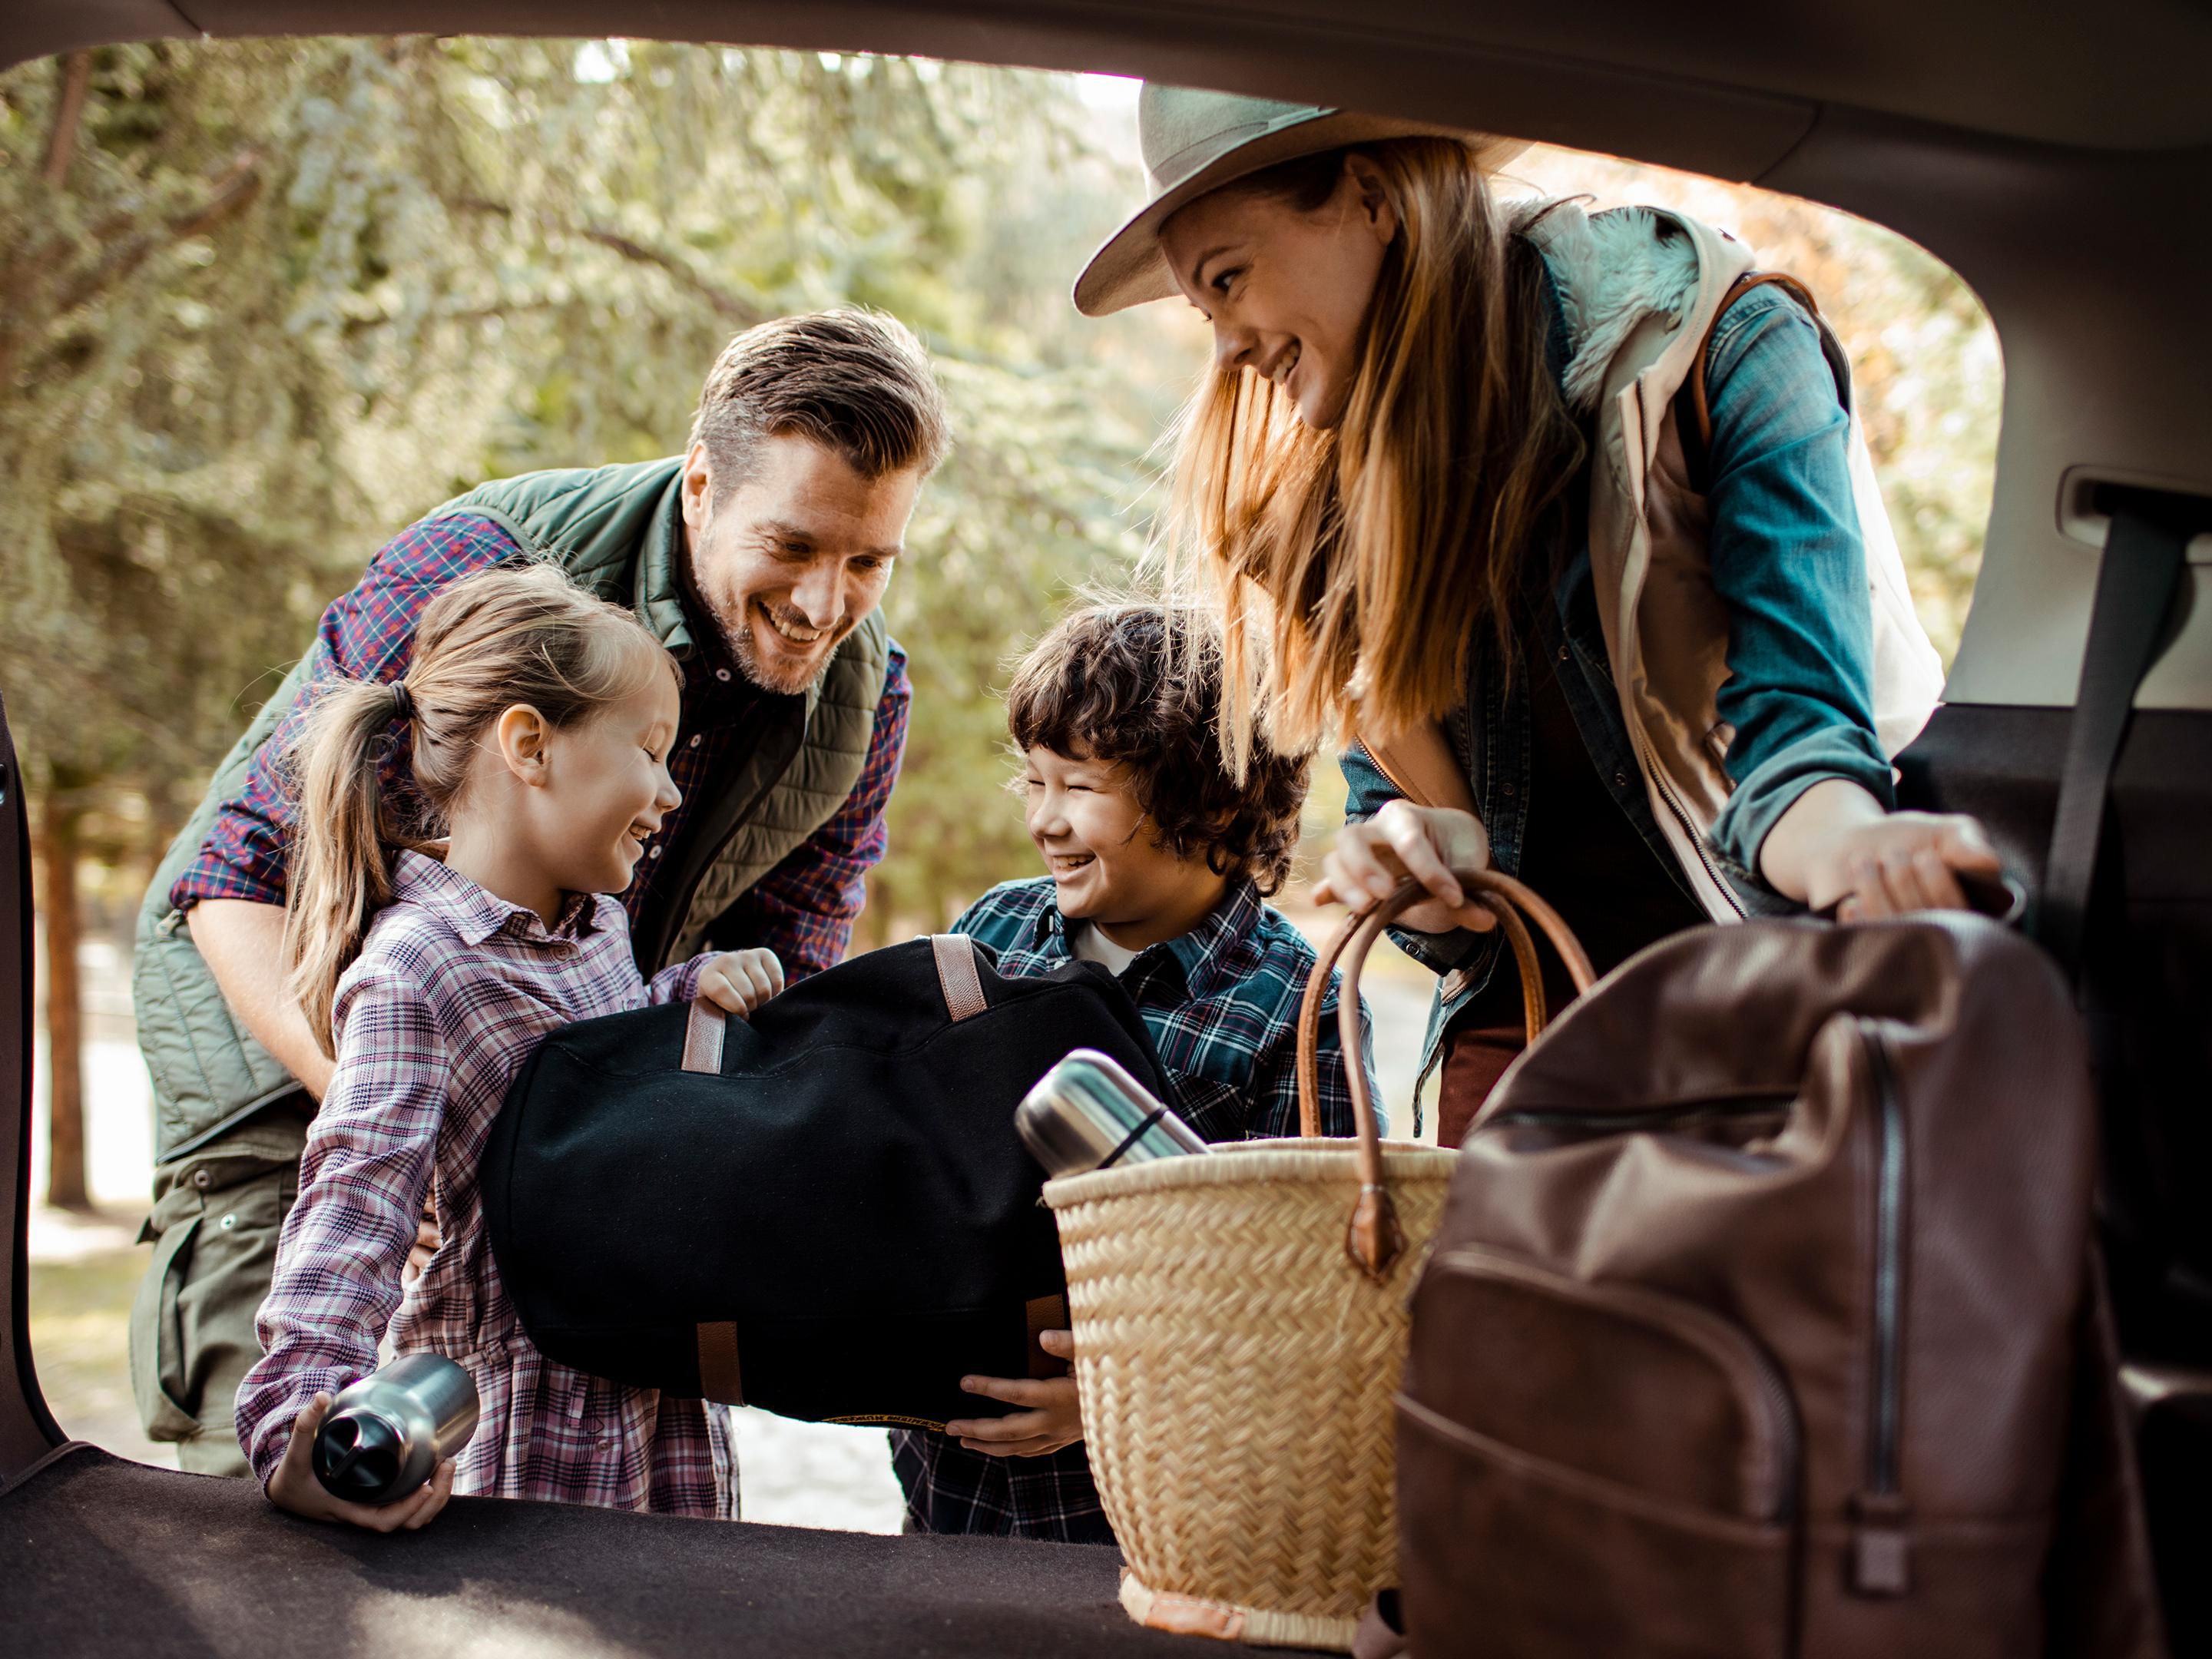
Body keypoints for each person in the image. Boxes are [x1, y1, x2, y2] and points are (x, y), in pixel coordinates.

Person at [1073, 86, 2002, 1142]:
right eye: (1206, 313)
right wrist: (1413, 859)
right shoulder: (1329, 521)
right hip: (1533, 1050)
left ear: (1371, 197)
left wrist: (1860, 857)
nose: (1229, 349)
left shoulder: (1722, 345)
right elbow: (1442, 864)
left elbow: (1805, 748)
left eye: (1230, 279)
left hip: (1771, 1006)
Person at [130, 310, 946, 1473]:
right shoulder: (484, 558)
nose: (826, 603)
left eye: (870, 562)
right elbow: (234, 876)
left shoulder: (865, 705)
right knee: (284, 1505)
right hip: (294, 1058)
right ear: (703, 485)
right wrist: (417, 1138)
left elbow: (777, 1005)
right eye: (796, 546)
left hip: (546, 1109)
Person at [237, 564, 787, 1529]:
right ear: (531, 745)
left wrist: (680, 999)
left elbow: (595, 1083)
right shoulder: (419, 968)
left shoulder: (597, 929)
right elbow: (353, 1209)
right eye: (651, 751)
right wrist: (298, 1428)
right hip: (525, 1445)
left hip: (657, 1422)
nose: (667, 793)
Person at [891, 601, 1378, 1543]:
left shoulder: (1299, 1007)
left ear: (1214, 797)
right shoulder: (993, 931)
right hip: (944, 1494)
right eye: (1032, 781)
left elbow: (1309, 1293)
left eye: (1078, 786)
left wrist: (1108, 1401)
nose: (1043, 819)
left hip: (1141, 1513)